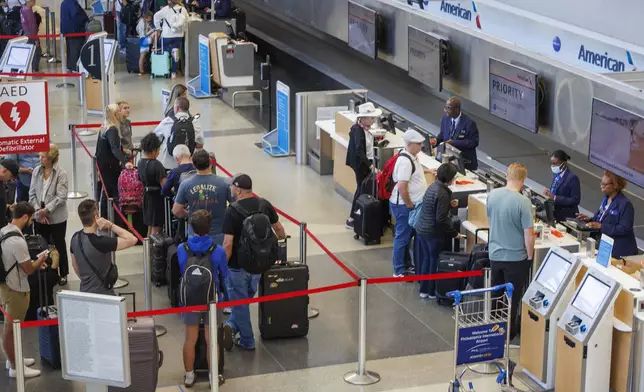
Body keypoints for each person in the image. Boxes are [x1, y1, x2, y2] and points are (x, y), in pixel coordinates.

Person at [222, 174, 286, 350]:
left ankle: (247, 341)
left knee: (240, 303)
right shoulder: (263, 204)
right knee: (244, 299)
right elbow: (279, 229)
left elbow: (227, 244)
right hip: (260, 264)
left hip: (237, 266)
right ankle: (232, 325)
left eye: (232, 187)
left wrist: (222, 265)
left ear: (239, 190)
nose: (230, 189)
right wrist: (279, 242)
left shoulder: (232, 211)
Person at [178, 210, 231, 387]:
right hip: (212, 300)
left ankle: (189, 375)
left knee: (189, 339)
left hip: (190, 300)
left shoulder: (182, 248)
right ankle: (212, 376)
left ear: (192, 228)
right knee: (211, 340)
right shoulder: (218, 251)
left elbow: (181, 271)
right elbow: (224, 274)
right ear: (209, 227)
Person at [486, 163, 535, 340]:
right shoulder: (523, 202)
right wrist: (530, 256)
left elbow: (491, 220)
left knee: (496, 295)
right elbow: (529, 234)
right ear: (523, 180)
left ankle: (494, 331)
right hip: (516, 258)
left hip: (495, 254)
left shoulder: (492, 195)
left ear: (507, 176)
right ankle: (508, 333)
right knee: (511, 299)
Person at [0, 202, 47, 379]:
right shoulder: (18, 241)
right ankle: (15, 367)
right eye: (31, 218)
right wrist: (40, 259)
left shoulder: (4, 230)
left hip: (6, 286)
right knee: (11, 329)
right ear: (25, 217)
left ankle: (13, 358)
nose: (32, 222)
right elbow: (27, 269)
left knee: (10, 326)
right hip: (16, 289)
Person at [71, 200, 138, 296]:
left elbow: (75, 265)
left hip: (84, 292)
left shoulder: (75, 238)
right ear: (96, 217)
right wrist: (110, 225)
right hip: (104, 294)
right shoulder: (101, 242)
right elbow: (132, 239)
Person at [389, 130, 430, 277]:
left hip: (408, 205)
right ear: (409, 144)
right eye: (418, 144)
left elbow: (414, 173)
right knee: (402, 237)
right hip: (404, 206)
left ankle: (406, 264)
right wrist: (409, 205)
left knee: (406, 236)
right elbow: (402, 186)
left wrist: (427, 172)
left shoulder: (412, 157)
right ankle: (399, 270)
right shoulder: (405, 161)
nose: (421, 146)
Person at [416, 163, 460, 299]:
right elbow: (440, 218)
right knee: (434, 261)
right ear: (450, 178)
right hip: (433, 233)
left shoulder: (433, 187)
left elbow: (433, 207)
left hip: (422, 228)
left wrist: (448, 205)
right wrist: (454, 233)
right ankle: (431, 291)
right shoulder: (443, 193)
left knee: (427, 259)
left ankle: (424, 290)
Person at [28, 144, 70, 286]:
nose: (40, 159)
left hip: (57, 217)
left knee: (59, 244)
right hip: (39, 216)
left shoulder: (61, 173)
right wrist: (38, 211)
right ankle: (46, 271)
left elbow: (61, 197)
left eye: (43, 157)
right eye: (40, 156)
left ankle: (63, 273)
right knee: (41, 245)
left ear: (51, 158)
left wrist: (45, 211)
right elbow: (32, 194)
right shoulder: (36, 172)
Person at [173, 149, 232, 244]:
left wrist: (190, 214)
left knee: (196, 258)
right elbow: (235, 206)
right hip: (219, 233)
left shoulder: (186, 184)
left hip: (195, 234)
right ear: (210, 163)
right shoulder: (224, 183)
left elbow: (176, 210)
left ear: (193, 165)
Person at [576, 171, 638, 258]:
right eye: (601, 183)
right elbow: (600, 219)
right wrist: (589, 220)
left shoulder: (625, 204)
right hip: (601, 246)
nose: (601, 186)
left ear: (615, 185)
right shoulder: (606, 199)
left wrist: (601, 226)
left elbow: (624, 228)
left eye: (605, 184)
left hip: (618, 252)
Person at [95, 104, 134, 219]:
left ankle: (105, 216)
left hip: (103, 164)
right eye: (118, 111)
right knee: (113, 192)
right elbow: (114, 148)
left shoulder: (104, 127)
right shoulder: (112, 129)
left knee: (105, 191)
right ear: (114, 114)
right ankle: (115, 218)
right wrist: (125, 160)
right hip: (109, 166)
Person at [344, 102, 379, 229]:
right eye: (371, 117)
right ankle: (352, 217)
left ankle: (355, 215)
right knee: (360, 189)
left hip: (364, 163)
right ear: (363, 118)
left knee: (362, 188)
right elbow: (359, 150)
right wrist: (370, 166)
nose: (373, 119)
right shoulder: (358, 131)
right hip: (361, 165)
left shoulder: (364, 130)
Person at [153, 96, 204, 169]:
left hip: (169, 165)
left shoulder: (167, 121)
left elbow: (154, 138)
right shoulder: (195, 122)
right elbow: (200, 145)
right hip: (188, 166)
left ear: (176, 108)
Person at [436, 97, 479, 171]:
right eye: (445, 107)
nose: (445, 110)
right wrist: (436, 141)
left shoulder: (469, 123)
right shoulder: (445, 118)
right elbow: (443, 134)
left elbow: (473, 143)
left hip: (464, 163)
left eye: (448, 108)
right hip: (448, 159)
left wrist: (454, 142)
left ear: (456, 109)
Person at [138, 133, 167, 236]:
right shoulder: (156, 165)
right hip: (157, 198)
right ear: (153, 150)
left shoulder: (140, 163)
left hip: (146, 196)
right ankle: (156, 248)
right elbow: (165, 185)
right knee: (157, 225)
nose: (159, 152)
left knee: (150, 224)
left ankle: (148, 246)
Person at [153, 0, 188, 79]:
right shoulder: (183, 9)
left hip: (167, 35)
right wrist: (183, 31)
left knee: (162, 49)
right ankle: (173, 73)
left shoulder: (165, 9)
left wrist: (158, 27)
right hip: (179, 35)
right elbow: (186, 21)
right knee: (176, 52)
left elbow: (156, 16)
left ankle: (165, 68)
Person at [543, 150, 581, 222]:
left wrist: (555, 197)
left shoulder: (572, 178)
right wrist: (549, 194)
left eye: (556, 164)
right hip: (554, 212)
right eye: (552, 163)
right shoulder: (556, 175)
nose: (553, 166)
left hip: (566, 216)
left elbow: (575, 200)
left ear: (564, 164)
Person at [60, 0, 88, 72]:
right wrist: (85, 19)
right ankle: (75, 67)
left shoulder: (64, 2)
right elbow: (76, 16)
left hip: (67, 30)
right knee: (76, 49)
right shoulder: (73, 2)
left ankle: (70, 66)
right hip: (75, 30)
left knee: (70, 49)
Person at [20, 0, 40, 72]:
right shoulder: (28, 10)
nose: (35, 2)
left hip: (26, 33)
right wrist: (36, 39)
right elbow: (32, 25)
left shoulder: (23, 8)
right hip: (31, 34)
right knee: (36, 52)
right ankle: (34, 70)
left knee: (30, 51)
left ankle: (32, 69)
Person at [0, 159, 20, 228]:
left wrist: (7, 207)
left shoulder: (2, 183)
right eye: (11, 176)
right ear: (4, 170)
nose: (10, 179)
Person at [136, 11, 154, 75]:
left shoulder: (142, 21)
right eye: (151, 18)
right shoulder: (142, 23)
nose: (151, 19)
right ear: (147, 17)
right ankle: (141, 71)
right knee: (142, 56)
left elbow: (137, 29)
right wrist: (152, 30)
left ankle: (142, 70)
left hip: (142, 39)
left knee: (143, 56)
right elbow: (145, 34)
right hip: (144, 40)